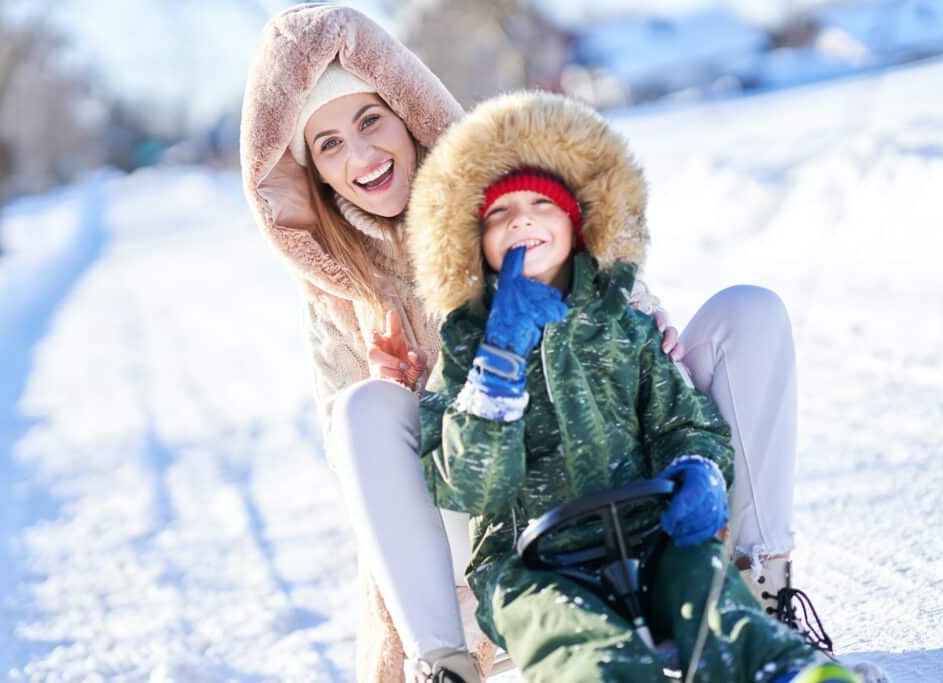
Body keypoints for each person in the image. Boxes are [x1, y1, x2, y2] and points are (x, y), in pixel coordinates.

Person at [240, 5, 817, 681]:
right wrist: (415, 393)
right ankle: (445, 665)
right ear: (313, 172)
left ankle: (760, 589)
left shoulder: (504, 196)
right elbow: (365, 478)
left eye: (369, 121)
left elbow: (610, 291)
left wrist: (646, 327)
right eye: (330, 144)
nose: (362, 155)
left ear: (405, 110)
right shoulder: (336, 292)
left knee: (749, 313)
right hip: (496, 521)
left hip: (619, 481)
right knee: (363, 409)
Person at [407, 90, 862, 683]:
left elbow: (683, 419)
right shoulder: (468, 350)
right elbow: (468, 483)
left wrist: (697, 466)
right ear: (475, 242)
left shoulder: (624, 323)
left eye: (540, 204)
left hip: (651, 538)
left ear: (576, 220)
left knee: (712, 597)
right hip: (531, 563)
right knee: (580, 644)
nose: (520, 219)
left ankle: (785, 670)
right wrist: (499, 360)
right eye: (499, 213)